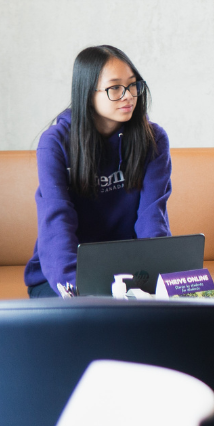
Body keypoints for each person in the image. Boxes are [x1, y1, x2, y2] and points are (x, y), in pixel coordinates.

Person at [24, 45, 172, 297]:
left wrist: (159, 278)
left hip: (130, 273)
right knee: (94, 320)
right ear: (87, 93)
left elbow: (152, 218)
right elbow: (56, 221)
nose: (128, 95)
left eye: (133, 85)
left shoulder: (152, 138)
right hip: (65, 275)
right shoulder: (56, 142)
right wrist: (77, 287)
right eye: (115, 87)